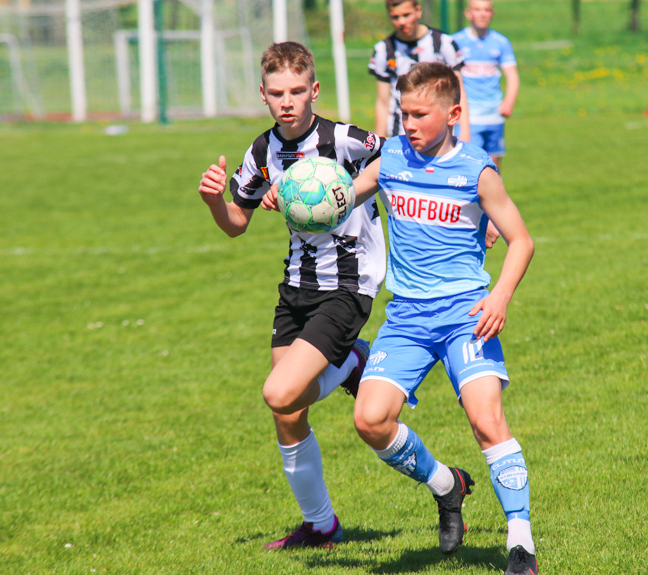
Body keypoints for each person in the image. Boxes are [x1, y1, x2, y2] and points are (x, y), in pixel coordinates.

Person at [197, 41, 386, 550]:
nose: (287, 101)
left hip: (349, 283)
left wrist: (340, 187)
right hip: (296, 287)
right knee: (288, 411)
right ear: (263, 94)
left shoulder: (344, 139)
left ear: (314, 91)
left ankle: (349, 364)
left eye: (297, 91)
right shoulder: (260, 152)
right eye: (277, 92)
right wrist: (216, 200)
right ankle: (321, 526)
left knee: (278, 391)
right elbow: (237, 223)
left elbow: (401, 157)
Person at [353, 62, 537, 574]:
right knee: (369, 419)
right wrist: (290, 198)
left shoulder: (476, 170)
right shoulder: (390, 156)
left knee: (486, 420)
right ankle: (446, 485)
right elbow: (341, 196)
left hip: (465, 315)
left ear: (454, 113)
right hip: (407, 318)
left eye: (418, 114)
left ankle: (520, 542)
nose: (407, 123)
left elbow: (521, 239)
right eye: (402, 113)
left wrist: (499, 295)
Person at [369, 0, 471, 141]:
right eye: (395, 17)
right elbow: (383, 101)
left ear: (418, 11)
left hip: (439, 135)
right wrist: (380, 142)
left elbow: (459, 92)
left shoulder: (443, 43)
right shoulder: (383, 50)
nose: (402, 22)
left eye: (406, 15)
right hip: (400, 134)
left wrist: (465, 133)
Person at [452, 0, 520, 172]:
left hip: (494, 115)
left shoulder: (500, 42)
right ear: (468, 13)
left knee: (494, 165)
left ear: (492, 13)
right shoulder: (456, 41)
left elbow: (512, 76)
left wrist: (509, 101)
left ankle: (494, 198)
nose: (482, 14)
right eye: (477, 10)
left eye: (486, 10)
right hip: (469, 116)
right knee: (471, 164)